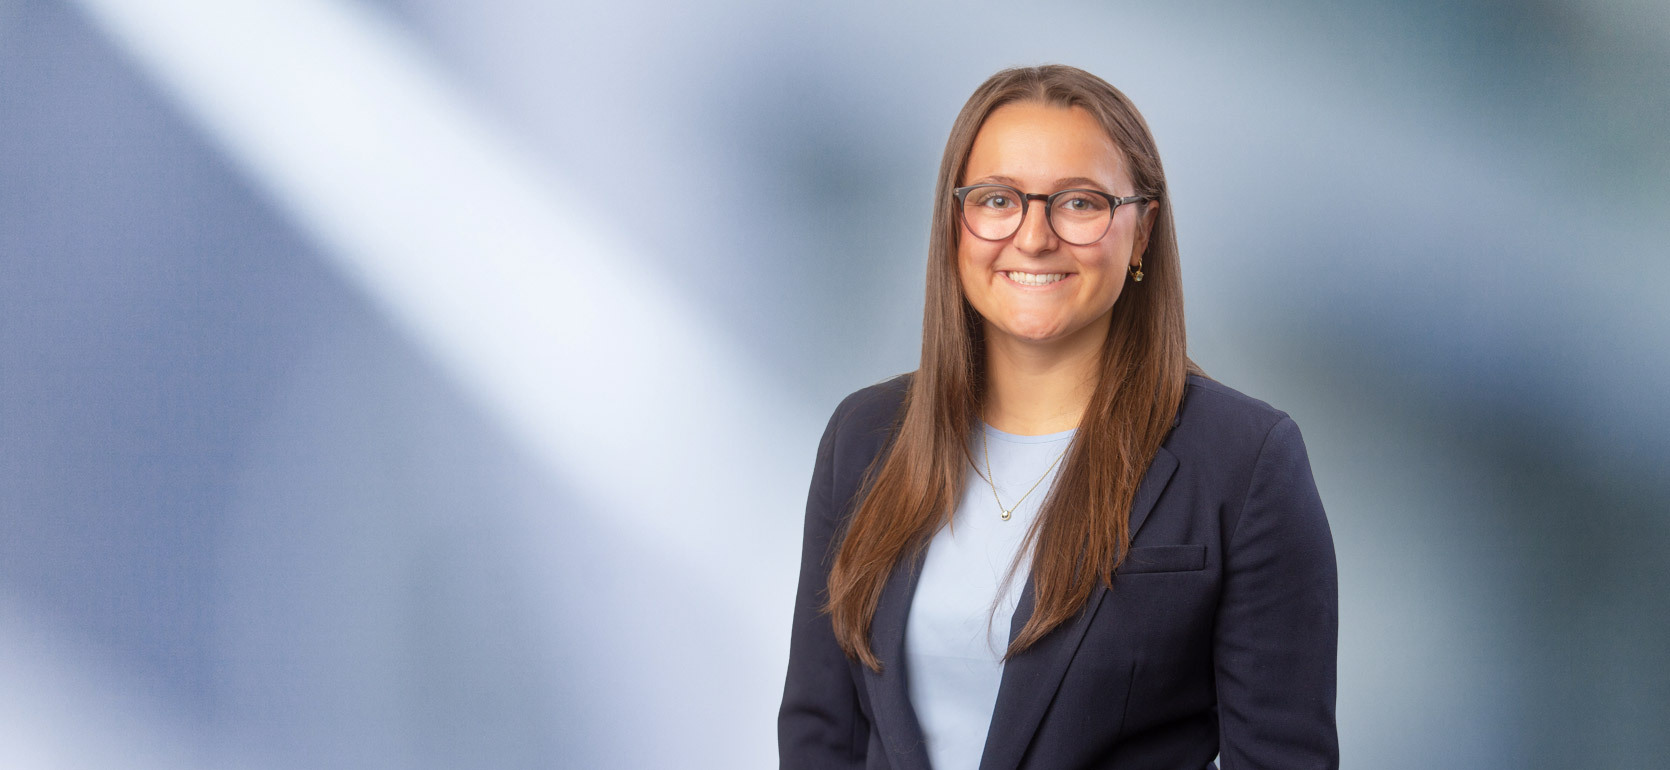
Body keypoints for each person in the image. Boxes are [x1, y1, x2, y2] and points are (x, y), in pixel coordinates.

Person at [779, 65, 1338, 770]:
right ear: (957, 224)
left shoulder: (1244, 460)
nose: (1034, 236)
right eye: (997, 199)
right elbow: (821, 734)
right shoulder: (862, 440)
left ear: (1142, 233)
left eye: (1078, 203)